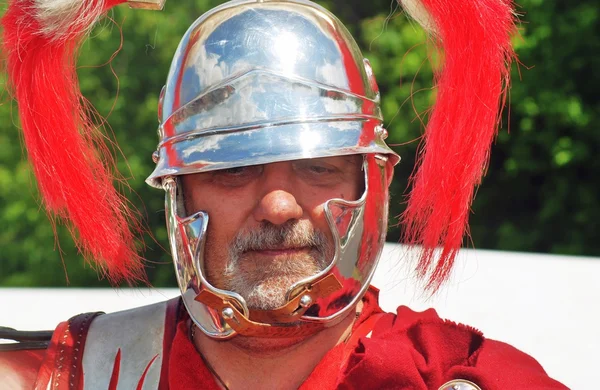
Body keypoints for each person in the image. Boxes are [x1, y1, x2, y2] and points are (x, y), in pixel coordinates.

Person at [0, 0, 568, 389]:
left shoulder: (471, 376)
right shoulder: (62, 377)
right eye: (231, 171)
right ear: (179, 195)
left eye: (319, 168)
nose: (278, 204)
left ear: (375, 182)